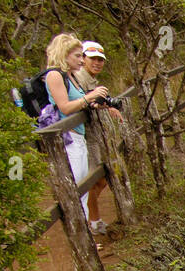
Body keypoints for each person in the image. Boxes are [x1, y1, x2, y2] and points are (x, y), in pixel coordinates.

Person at [42, 34, 107, 221]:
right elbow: (65, 107)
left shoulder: (70, 76)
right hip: (69, 139)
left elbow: (77, 102)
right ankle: (83, 237)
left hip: (79, 136)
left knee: (83, 188)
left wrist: (95, 102)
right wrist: (90, 96)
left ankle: (86, 232)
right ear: (64, 54)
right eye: (78, 56)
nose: (81, 60)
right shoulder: (54, 75)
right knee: (77, 189)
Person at [73, 41, 121, 236]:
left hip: (93, 136)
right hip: (82, 136)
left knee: (100, 178)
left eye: (100, 59)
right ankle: (93, 222)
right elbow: (80, 103)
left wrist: (107, 106)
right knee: (92, 179)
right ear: (82, 58)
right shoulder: (77, 78)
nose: (97, 63)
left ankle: (93, 219)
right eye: (92, 58)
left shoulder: (92, 81)